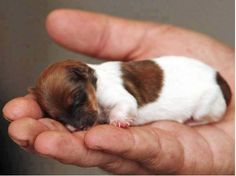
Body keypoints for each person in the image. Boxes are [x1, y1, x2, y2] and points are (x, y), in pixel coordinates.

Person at [2, 9, 234, 174]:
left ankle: (201, 117)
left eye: (78, 102)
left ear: (86, 76)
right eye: (61, 117)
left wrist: (118, 116)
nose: (76, 122)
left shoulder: (110, 81)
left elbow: (127, 104)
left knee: (208, 103)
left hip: (208, 95)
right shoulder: (86, 85)